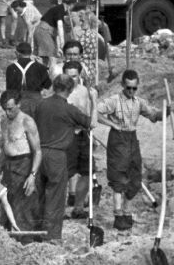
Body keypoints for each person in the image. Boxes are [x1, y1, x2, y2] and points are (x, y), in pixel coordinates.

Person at [97, 69, 165, 231]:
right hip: (117, 140)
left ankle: (127, 212)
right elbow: (96, 112)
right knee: (119, 178)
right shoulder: (114, 100)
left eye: (134, 88)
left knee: (134, 177)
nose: (131, 91)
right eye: (128, 88)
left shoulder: (139, 102)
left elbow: (153, 115)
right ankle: (118, 215)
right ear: (122, 85)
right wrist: (112, 124)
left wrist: (166, 111)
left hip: (132, 140)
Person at [32, 73, 91, 242]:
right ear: (70, 89)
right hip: (56, 155)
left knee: (40, 195)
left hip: (39, 153)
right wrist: (93, 100)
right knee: (56, 197)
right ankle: (52, 236)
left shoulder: (41, 104)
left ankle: (37, 232)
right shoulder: (68, 108)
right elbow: (90, 123)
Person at [0, 90, 43, 233]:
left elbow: (37, 151)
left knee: (24, 205)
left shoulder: (27, 121)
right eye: (4, 109)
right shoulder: (3, 121)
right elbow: (3, 148)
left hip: (24, 164)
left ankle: (26, 239)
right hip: (8, 165)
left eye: (10, 109)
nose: (7, 112)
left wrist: (33, 175)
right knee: (7, 201)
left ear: (18, 104)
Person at [61, 60, 97, 220]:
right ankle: (60, 210)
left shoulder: (85, 91)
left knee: (87, 171)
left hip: (84, 134)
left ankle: (78, 207)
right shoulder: (60, 93)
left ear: (79, 75)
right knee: (64, 173)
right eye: (68, 76)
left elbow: (90, 114)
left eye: (74, 76)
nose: (71, 80)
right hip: (67, 135)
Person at [4, 42, 51, 114]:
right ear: (31, 53)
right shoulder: (40, 67)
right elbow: (48, 85)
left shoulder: (10, 68)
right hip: (36, 102)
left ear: (17, 53)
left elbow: (9, 89)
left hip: (18, 102)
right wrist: (44, 67)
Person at [33, 0, 70, 70]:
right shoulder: (60, 9)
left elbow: (55, 34)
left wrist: (58, 47)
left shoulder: (57, 11)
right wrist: (62, 41)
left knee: (46, 56)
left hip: (44, 31)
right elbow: (60, 26)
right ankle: (51, 76)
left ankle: (43, 72)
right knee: (51, 56)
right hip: (44, 31)